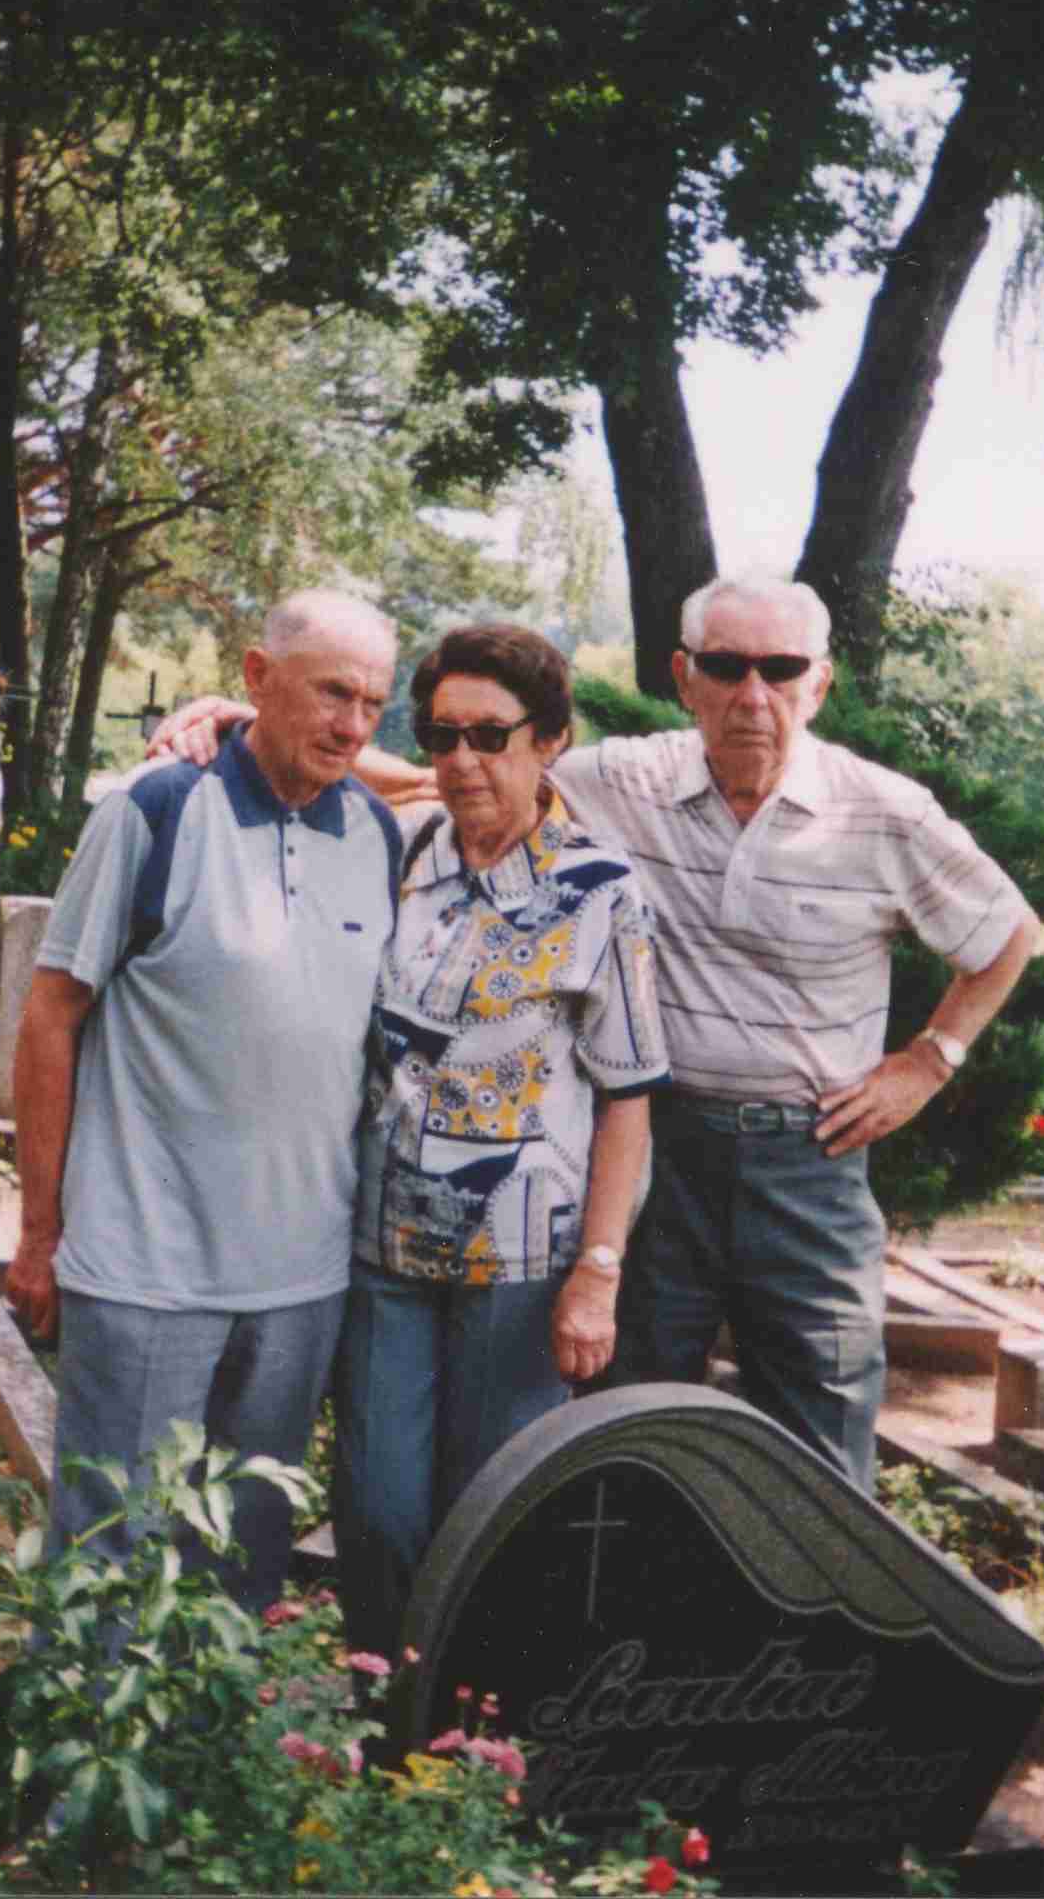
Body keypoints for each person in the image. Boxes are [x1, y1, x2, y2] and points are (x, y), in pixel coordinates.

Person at [149, 577, 1037, 1490]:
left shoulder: (884, 812)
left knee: (822, 1444)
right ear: (685, 678)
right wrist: (252, 723)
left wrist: (930, 1060)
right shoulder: (624, 779)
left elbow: (1008, 932)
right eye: (726, 667)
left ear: (820, 683)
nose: (752, 694)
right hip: (663, 1163)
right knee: (629, 1443)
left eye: (780, 669)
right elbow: (456, 770)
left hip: (806, 1160)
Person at [8, 588, 401, 1612]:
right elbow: (50, 1016)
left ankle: (202, 1730)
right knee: (108, 1563)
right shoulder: (156, 810)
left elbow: (518, 775)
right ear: (258, 677)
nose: (352, 725)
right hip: (145, 1272)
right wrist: (38, 1231)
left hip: (301, 1287)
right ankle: (80, 1726)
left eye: (373, 703)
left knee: (238, 1575)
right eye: (331, 693)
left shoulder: (379, 834)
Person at [335, 623, 669, 1659]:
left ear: (551, 740)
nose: (462, 760)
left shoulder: (599, 891)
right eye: (441, 736)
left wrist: (598, 1274)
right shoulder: (402, 855)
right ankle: (382, 1713)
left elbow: (628, 1098)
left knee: (489, 1525)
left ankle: (472, 1731)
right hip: (384, 1248)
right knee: (376, 1512)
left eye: (491, 735)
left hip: (521, 1267)